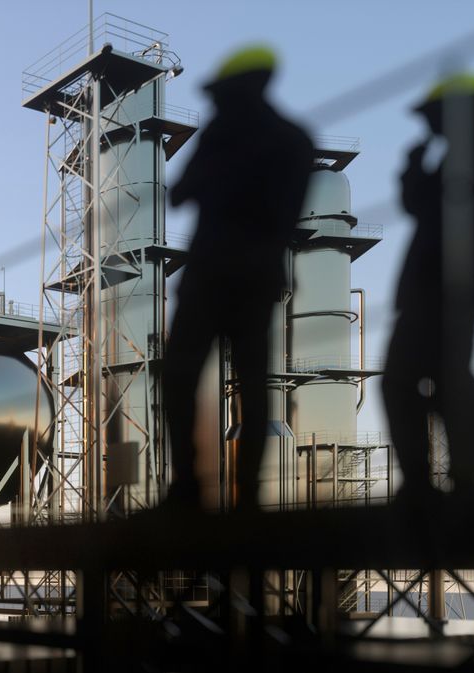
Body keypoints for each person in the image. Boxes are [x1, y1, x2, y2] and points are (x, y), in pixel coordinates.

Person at [161, 46, 314, 513]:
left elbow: (180, 193)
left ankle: (188, 486)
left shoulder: (222, 137)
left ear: (242, 90)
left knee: (180, 376)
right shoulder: (294, 140)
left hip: (211, 274)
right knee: (254, 384)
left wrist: (220, 172)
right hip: (256, 277)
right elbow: (286, 216)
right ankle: (246, 494)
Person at [383, 72, 474, 502]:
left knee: (445, 379)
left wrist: (415, 173)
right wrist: (413, 169)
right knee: (420, 380)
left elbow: (436, 213)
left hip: (451, 286)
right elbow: (422, 209)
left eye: (433, 116)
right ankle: (434, 480)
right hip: (435, 286)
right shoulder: (470, 152)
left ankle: (458, 480)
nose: (428, 126)